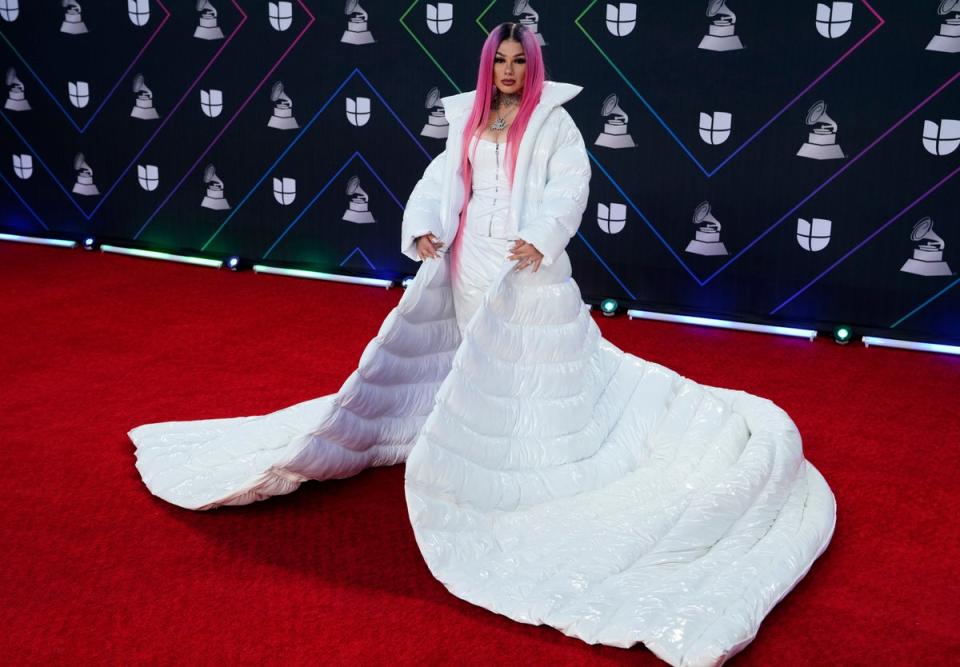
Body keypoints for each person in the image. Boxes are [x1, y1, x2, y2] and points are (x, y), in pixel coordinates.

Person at [130, 22, 836, 667]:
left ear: (532, 65)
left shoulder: (554, 126)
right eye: (497, 60)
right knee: (480, 363)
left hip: (528, 268)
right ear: (486, 64)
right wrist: (428, 227)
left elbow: (572, 186)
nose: (505, 70)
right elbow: (445, 179)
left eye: (515, 60)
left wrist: (543, 235)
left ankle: (534, 467)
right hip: (471, 264)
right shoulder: (468, 118)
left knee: (539, 367)